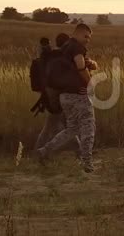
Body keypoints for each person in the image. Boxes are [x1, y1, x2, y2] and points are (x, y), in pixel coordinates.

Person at [36, 24, 98, 173]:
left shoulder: (65, 48)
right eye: (86, 36)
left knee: (72, 129)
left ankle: (44, 151)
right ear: (78, 34)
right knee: (89, 128)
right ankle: (87, 163)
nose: (88, 40)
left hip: (64, 96)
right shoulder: (77, 48)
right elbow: (81, 67)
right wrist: (90, 84)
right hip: (79, 95)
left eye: (89, 37)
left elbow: (88, 64)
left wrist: (91, 64)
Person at [33, 33, 80, 155]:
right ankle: (38, 152)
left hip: (50, 96)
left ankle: (79, 150)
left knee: (66, 125)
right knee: (50, 127)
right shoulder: (63, 57)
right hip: (58, 97)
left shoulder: (50, 55)